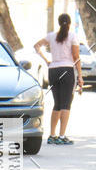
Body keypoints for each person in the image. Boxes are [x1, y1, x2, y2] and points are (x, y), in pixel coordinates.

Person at [34, 13, 83, 145]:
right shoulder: (72, 36)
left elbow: (36, 46)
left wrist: (46, 60)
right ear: (70, 23)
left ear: (59, 22)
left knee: (57, 103)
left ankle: (52, 135)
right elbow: (76, 56)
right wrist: (80, 76)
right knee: (66, 104)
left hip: (53, 70)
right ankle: (62, 136)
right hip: (67, 70)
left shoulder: (51, 36)